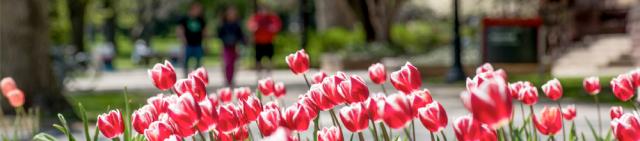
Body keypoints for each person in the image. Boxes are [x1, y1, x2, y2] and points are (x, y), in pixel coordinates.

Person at [247, 5, 281, 79]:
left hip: (268, 42)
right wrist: (255, 27)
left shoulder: (271, 18)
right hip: (258, 42)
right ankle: (259, 75)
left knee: (270, 59)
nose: (263, 12)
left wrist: (272, 28)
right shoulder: (256, 18)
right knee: (258, 59)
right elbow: (251, 26)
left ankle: (269, 75)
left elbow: (277, 26)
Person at [217, 6, 245, 87]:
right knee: (226, 63)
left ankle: (232, 79)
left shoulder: (237, 25)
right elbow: (220, 37)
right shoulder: (223, 25)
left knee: (234, 64)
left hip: (235, 47)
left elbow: (241, 37)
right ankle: (226, 79)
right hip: (225, 47)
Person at [177, 2, 207, 77]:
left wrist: (206, 43)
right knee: (185, 62)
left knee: (198, 62)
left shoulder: (201, 20)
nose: (199, 11)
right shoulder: (184, 19)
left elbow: (205, 32)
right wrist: (183, 40)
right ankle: (185, 76)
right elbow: (180, 30)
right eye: (197, 9)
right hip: (188, 44)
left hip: (198, 44)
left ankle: (196, 76)